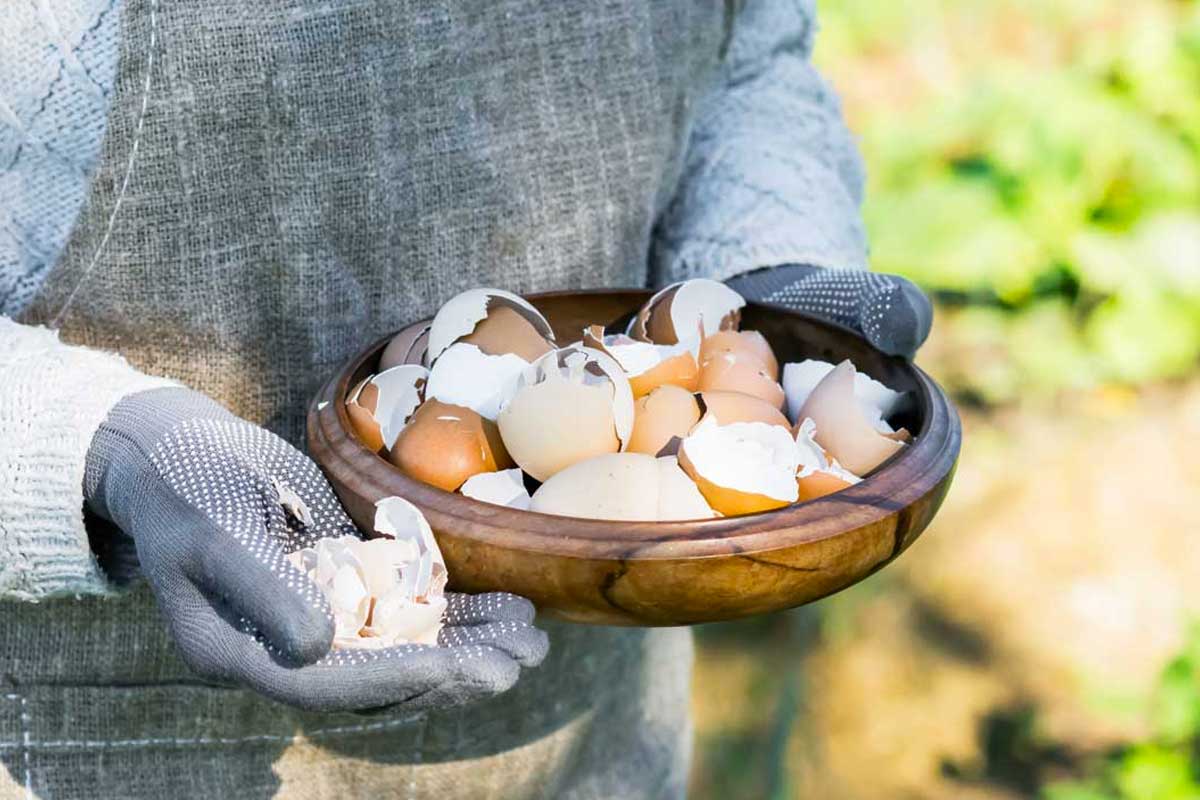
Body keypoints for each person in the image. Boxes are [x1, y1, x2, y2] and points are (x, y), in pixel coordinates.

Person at [0, 0, 931, 797]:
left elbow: (746, 54)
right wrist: (92, 448)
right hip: (112, 742)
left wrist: (746, 307)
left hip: (597, 720)